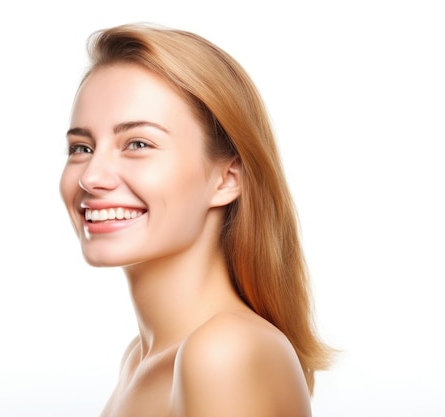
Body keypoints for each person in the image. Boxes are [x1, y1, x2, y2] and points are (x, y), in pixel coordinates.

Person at [59, 22, 334, 417]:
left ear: (226, 179)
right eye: (81, 147)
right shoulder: (139, 359)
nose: (91, 176)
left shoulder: (223, 352)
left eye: (138, 143)